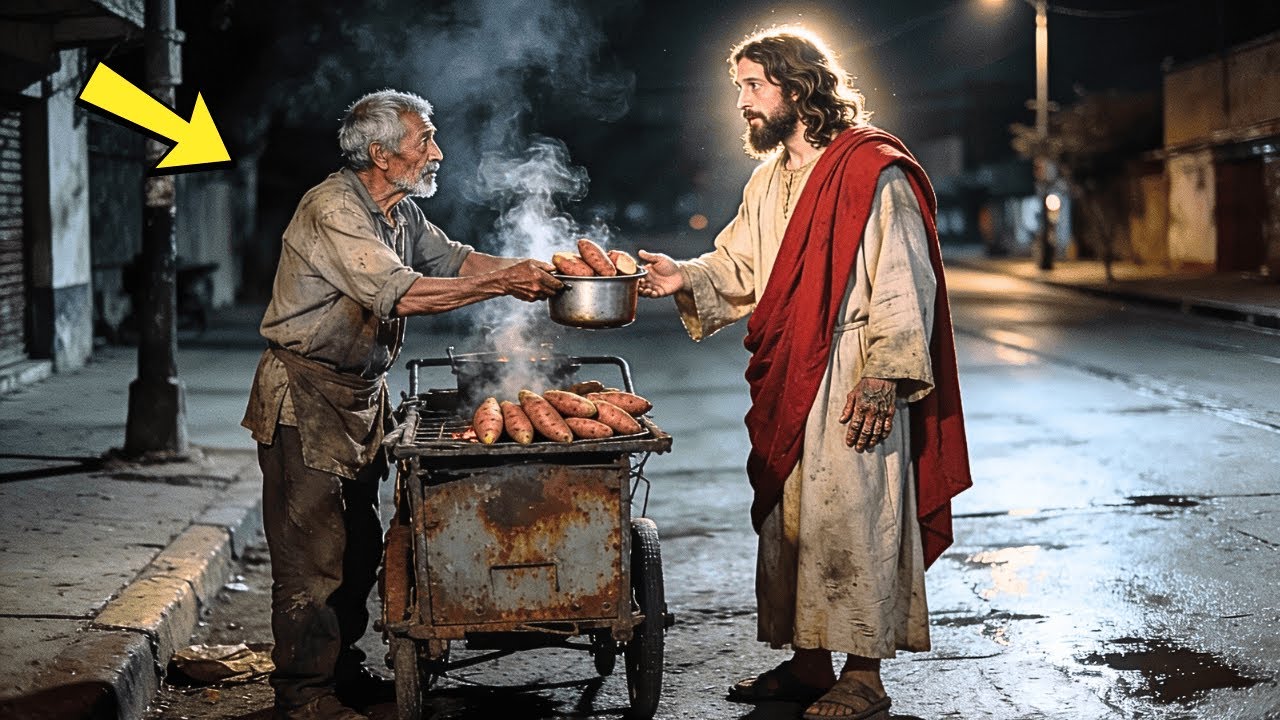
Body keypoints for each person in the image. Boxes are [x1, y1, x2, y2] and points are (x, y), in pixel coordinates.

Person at [638, 28, 971, 720]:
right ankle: (810, 664)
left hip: (854, 371)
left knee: (857, 519)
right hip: (790, 374)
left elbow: (905, 279)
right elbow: (738, 266)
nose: (742, 102)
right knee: (796, 523)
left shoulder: (871, 170)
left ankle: (865, 675)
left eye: (753, 86)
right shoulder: (767, 181)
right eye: (739, 88)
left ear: (797, 88)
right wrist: (682, 276)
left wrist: (885, 376)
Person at [241, 89, 562, 720]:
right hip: (305, 396)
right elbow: (399, 292)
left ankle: (341, 671)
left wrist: (538, 269)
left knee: (359, 545)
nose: (437, 154)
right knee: (313, 557)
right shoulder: (334, 208)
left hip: (361, 394)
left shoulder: (398, 212)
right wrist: (502, 283)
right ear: (382, 154)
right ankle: (304, 696)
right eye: (425, 142)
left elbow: (456, 261)